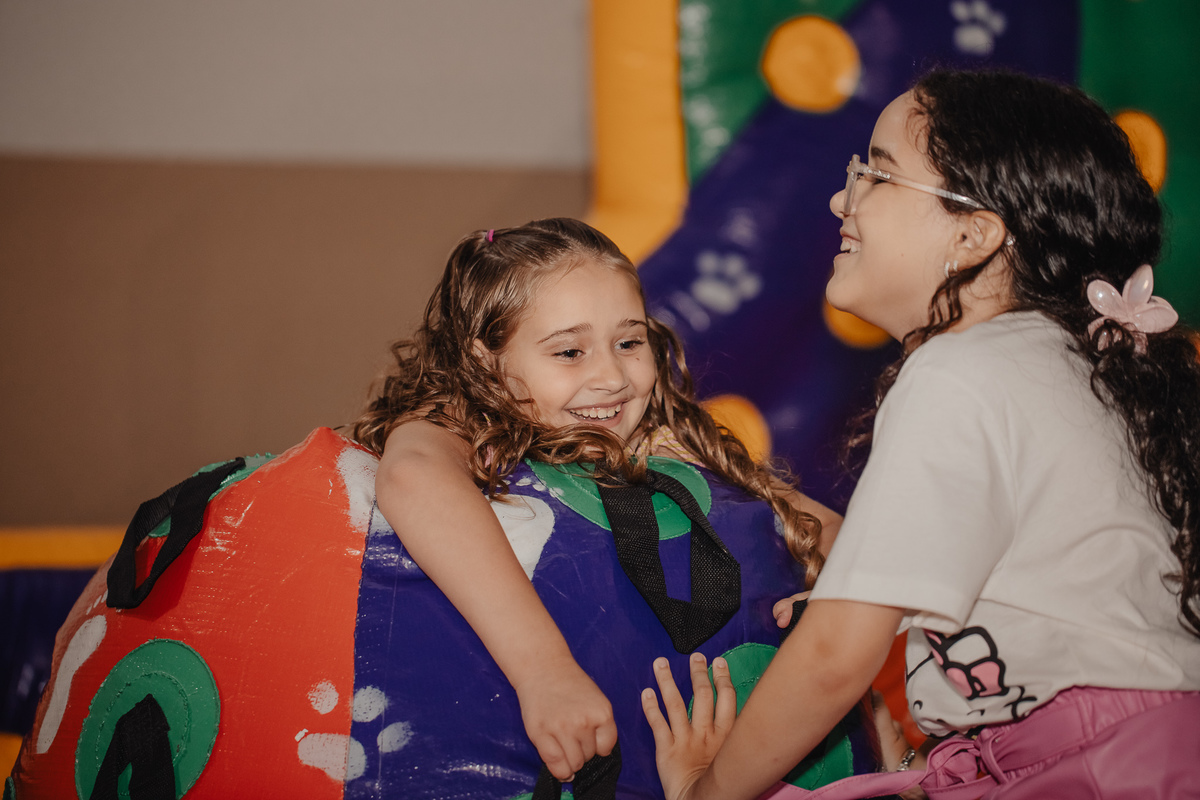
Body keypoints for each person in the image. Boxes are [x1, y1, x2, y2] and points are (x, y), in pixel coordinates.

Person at [642, 69, 1200, 799]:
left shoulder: (958, 370)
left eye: (877, 174)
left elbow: (835, 658)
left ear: (973, 233)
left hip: (1101, 765)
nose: (842, 198)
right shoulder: (1060, 363)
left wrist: (709, 790)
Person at [350, 217, 841, 783]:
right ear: (486, 362)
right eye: (569, 352)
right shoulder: (459, 426)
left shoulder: (664, 442)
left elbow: (830, 529)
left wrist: (837, 602)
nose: (611, 376)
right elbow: (412, 473)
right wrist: (544, 670)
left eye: (629, 343)